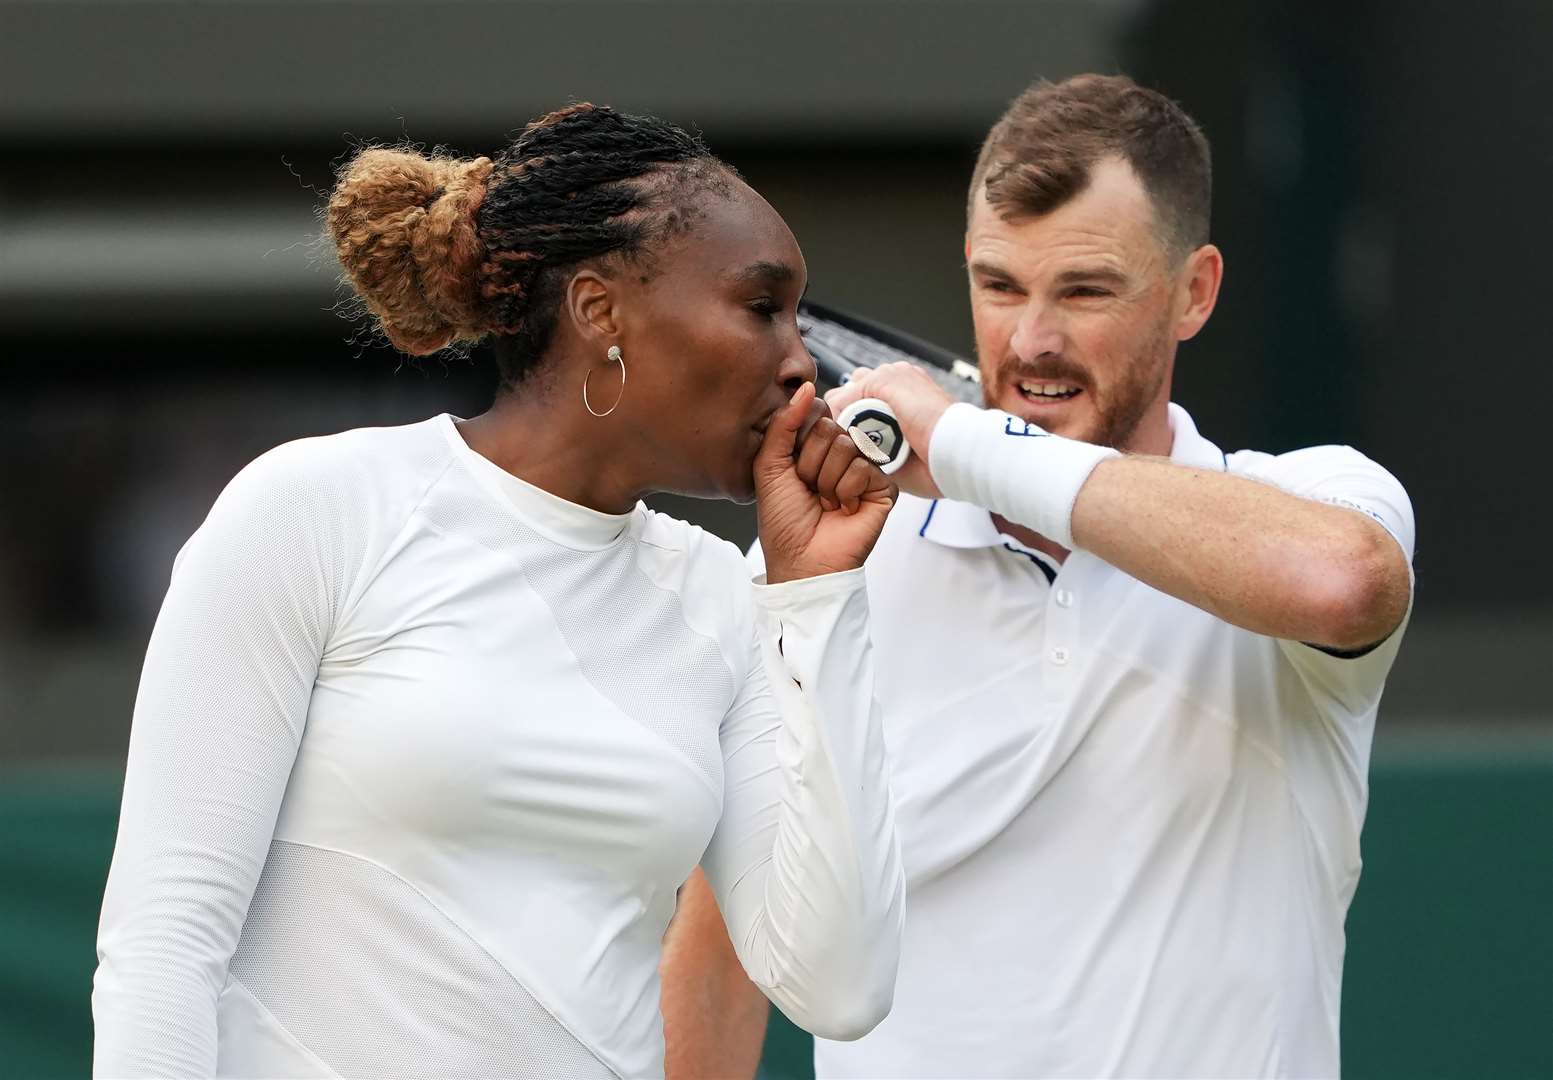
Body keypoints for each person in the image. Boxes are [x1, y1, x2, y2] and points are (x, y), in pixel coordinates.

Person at [92, 103, 906, 1079]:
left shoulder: (717, 599)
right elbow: (162, 947)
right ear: (601, 312)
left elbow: (839, 987)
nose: (797, 364)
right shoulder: (316, 510)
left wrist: (815, 603)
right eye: (760, 307)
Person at [664, 75, 1415, 1079]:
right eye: (998, 285)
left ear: (1193, 291)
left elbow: (1342, 584)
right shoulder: (824, 556)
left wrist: (971, 444)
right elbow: (725, 949)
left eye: (1084, 291)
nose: (1029, 341)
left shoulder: (1311, 499)